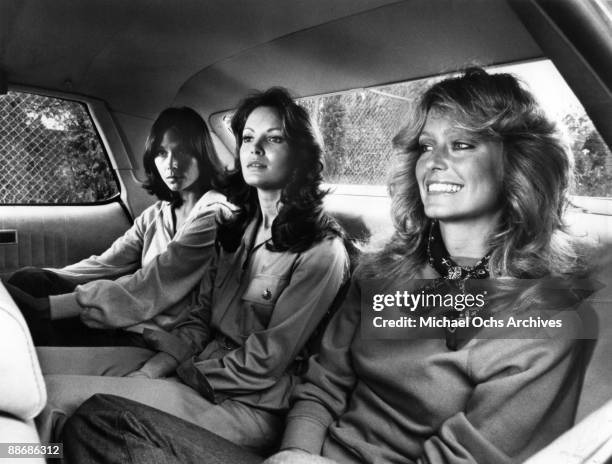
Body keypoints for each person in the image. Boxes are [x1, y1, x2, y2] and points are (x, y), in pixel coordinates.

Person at [62, 68, 599, 464]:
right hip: (302, 451)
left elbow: (467, 457)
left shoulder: (541, 318)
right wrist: (296, 453)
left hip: (257, 412)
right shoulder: (384, 274)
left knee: (67, 424)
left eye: (462, 145)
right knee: (95, 423)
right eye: (425, 146)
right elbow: (324, 383)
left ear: (517, 164)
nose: (435, 161)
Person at [37, 87, 351, 454]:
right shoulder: (235, 229)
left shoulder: (321, 251)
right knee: (35, 380)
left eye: (274, 138)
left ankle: (16, 457)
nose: (255, 148)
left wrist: (185, 375)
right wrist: (154, 370)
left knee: (52, 404)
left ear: (300, 154)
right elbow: (198, 321)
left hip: (246, 404)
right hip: (192, 367)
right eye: (248, 138)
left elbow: (266, 360)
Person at [5, 107, 229, 347]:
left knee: (36, 320)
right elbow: (106, 264)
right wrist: (45, 279)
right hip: (132, 318)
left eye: (182, 150)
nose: (171, 163)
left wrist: (45, 307)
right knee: (29, 280)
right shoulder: (157, 213)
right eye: (162, 153)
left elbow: (152, 283)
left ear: (201, 153)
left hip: (160, 333)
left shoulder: (213, 215)